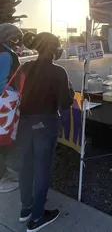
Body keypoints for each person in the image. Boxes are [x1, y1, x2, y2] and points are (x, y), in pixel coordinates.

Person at [17, 32, 75, 232]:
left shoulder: (25, 67)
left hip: (23, 123)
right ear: (51, 48)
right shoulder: (58, 72)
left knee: (25, 166)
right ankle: (38, 216)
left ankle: (26, 210)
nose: (59, 50)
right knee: (42, 168)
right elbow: (65, 104)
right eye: (57, 46)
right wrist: (71, 92)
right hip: (44, 123)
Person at [0, 23, 23, 193]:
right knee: (4, 139)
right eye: (16, 38)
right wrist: (14, 93)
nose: (18, 42)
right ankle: (2, 177)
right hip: (4, 102)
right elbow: (2, 81)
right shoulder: (6, 55)